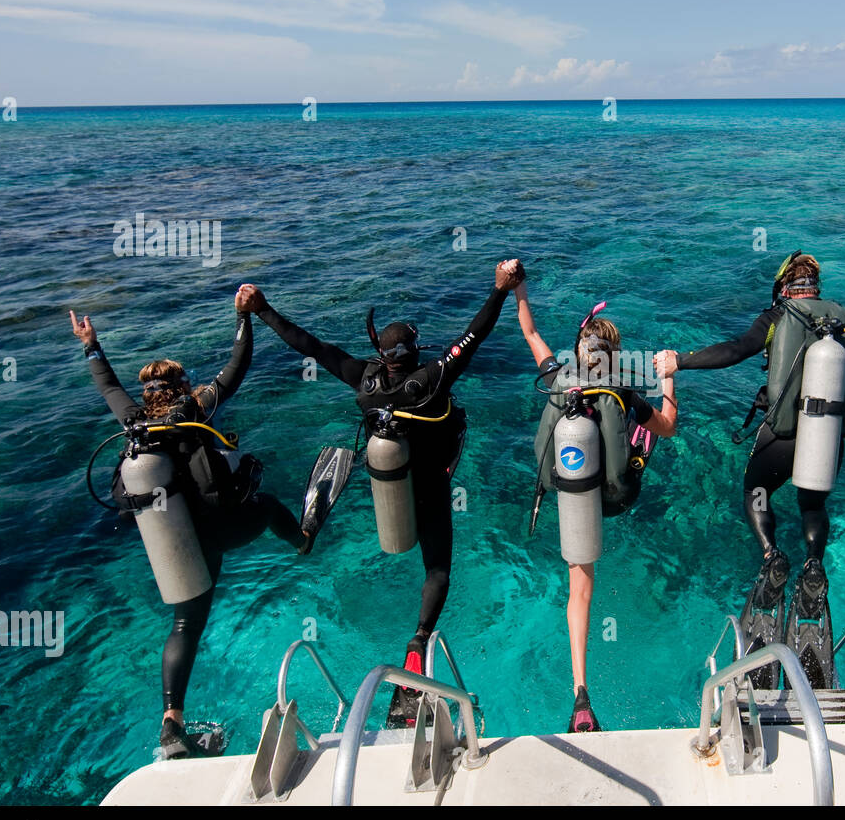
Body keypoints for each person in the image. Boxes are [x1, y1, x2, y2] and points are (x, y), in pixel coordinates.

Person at [237, 260, 525, 725]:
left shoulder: (361, 378)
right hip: (430, 486)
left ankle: (305, 534)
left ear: (382, 354)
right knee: (437, 571)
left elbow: (309, 344)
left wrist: (263, 308)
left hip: (386, 491)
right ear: (413, 352)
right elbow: (475, 335)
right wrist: (499, 290)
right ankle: (417, 643)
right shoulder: (433, 378)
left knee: (366, 483)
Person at [70, 287, 309, 760]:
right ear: (182, 388)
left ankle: (171, 725)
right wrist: (244, 319)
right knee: (265, 504)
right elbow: (236, 367)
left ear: (147, 395)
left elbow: (109, 388)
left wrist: (91, 344)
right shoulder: (196, 410)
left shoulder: (135, 424)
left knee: (184, 625)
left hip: (176, 545)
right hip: (219, 531)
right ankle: (302, 540)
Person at [653, 251, 845, 688]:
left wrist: (682, 361)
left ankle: (772, 555)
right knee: (813, 501)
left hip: (781, 437)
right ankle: (813, 565)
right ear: (816, 286)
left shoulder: (776, 316)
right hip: (826, 438)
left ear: (784, 285)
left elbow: (735, 350)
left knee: (757, 488)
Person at [516, 279, 677, 732]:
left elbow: (529, 333)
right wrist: (668, 382)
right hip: (616, 496)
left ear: (579, 353)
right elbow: (669, 426)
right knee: (646, 437)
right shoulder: (623, 394)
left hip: (571, 497)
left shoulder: (556, 380)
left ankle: (580, 693)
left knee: (579, 591)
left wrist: (518, 290)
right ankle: (627, 448)